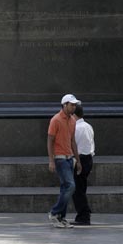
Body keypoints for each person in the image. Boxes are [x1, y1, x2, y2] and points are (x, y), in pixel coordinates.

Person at [47, 94, 82, 228]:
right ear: (64, 105)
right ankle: (55, 212)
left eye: (75, 105)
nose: (74, 107)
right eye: (71, 104)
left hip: (69, 158)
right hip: (60, 158)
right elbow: (50, 140)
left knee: (65, 188)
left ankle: (61, 217)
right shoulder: (55, 120)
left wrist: (77, 160)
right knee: (70, 186)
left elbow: (73, 141)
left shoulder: (73, 120)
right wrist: (51, 160)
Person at [71, 104, 95, 226]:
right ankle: (84, 213)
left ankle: (84, 215)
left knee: (77, 189)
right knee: (81, 187)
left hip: (79, 159)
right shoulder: (88, 126)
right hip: (89, 158)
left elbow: (73, 145)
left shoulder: (76, 128)